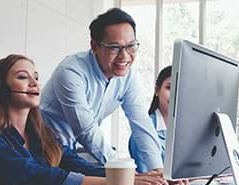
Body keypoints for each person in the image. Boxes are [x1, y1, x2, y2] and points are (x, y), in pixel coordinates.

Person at [0, 54, 166, 185]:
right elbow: (35, 176)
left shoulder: (43, 136)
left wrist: (134, 176)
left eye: (36, 77)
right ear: (2, 88)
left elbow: (79, 166)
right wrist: (115, 182)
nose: (34, 83)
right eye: (23, 77)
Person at [40, 8, 163, 173]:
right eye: (114, 47)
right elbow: (86, 130)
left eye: (131, 46)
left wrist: (158, 170)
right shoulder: (71, 72)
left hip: (74, 153)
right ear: (94, 46)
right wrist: (123, 170)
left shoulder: (128, 75)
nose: (124, 56)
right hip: (45, 149)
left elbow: (141, 122)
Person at [129, 66, 239, 173]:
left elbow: (210, 161)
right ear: (157, 90)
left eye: (182, 89)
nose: (176, 95)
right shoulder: (143, 133)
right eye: (170, 88)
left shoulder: (191, 130)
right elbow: (153, 178)